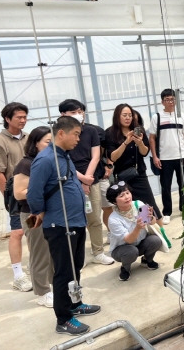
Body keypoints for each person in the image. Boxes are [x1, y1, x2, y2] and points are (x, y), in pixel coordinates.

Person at [28, 116, 101, 336]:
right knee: (63, 272)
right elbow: (34, 194)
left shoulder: (64, 156)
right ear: (61, 133)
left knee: (75, 266)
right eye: (76, 134)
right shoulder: (45, 159)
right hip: (60, 224)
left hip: (75, 221)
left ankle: (74, 304)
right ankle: (63, 319)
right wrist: (44, 212)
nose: (78, 139)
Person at [59, 99, 114, 265]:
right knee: (74, 222)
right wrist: (81, 179)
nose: (78, 114)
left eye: (80, 111)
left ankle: (98, 252)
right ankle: (78, 257)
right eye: (73, 112)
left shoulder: (90, 131)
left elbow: (95, 156)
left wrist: (87, 180)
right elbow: (61, 159)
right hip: (69, 182)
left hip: (92, 180)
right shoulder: (59, 133)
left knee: (94, 218)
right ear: (63, 114)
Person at [0, 102, 31, 292]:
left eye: (25, 117)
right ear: (7, 119)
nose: (23, 120)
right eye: (19, 117)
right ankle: (18, 275)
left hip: (33, 191)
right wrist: (8, 197)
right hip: (15, 194)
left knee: (34, 228)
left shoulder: (29, 138)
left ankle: (35, 266)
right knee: (17, 232)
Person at [13, 126, 55, 307]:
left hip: (51, 212)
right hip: (32, 213)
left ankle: (53, 285)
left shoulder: (49, 161)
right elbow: (19, 193)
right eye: (47, 142)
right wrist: (44, 191)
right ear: (35, 143)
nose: (51, 145)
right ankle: (42, 292)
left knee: (52, 251)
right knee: (39, 253)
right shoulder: (26, 164)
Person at [105, 103, 164, 227]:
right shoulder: (110, 133)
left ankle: (159, 232)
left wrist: (140, 142)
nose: (128, 118)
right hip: (122, 178)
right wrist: (126, 142)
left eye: (130, 115)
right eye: (124, 115)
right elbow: (113, 157)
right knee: (128, 206)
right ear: (117, 116)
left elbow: (144, 152)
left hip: (139, 174)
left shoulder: (138, 130)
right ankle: (136, 231)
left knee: (148, 205)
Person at [149, 89, 184, 223]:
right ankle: (167, 212)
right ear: (162, 102)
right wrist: (155, 156)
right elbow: (152, 138)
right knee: (166, 186)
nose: (170, 102)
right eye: (167, 99)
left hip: (181, 157)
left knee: (183, 185)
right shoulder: (157, 117)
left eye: (173, 99)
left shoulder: (182, 116)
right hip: (164, 158)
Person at [106, 182, 162, 282]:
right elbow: (129, 240)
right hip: (122, 249)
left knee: (155, 240)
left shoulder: (138, 204)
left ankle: (147, 260)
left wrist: (151, 217)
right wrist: (137, 228)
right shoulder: (113, 219)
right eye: (121, 196)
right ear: (114, 201)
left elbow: (152, 222)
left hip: (140, 242)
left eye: (127, 193)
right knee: (131, 251)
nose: (127, 197)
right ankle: (125, 268)